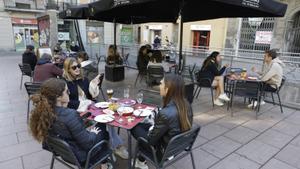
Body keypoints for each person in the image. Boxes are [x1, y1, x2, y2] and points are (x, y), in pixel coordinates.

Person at [29, 78, 111, 169]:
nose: (70, 93)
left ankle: (104, 163)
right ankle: (105, 163)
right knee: (103, 128)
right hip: (83, 157)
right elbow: (88, 144)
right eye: (67, 91)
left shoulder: (44, 113)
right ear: (58, 97)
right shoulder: (70, 114)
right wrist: (93, 133)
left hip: (64, 153)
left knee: (96, 126)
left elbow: (64, 128)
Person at [63, 58, 128, 159]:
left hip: (90, 108)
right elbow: (67, 103)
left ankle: (115, 146)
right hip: (79, 113)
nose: (77, 69)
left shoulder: (83, 79)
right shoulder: (65, 84)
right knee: (105, 121)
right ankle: (115, 147)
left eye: (78, 66)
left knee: (109, 115)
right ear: (68, 70)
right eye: (74, 67)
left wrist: (93, 86)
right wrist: (84, 103)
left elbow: (91, 97)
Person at [131, 74, 193, 169]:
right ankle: (141, 160)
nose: (159, 85)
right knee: (143, 125)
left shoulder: (166, 113)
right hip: (178, 146)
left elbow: (150, 141)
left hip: (163, 152)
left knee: (134, 127)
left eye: (162, 84)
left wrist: (151, 126)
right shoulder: (186, 104)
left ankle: (140, 162)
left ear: (167, 89)